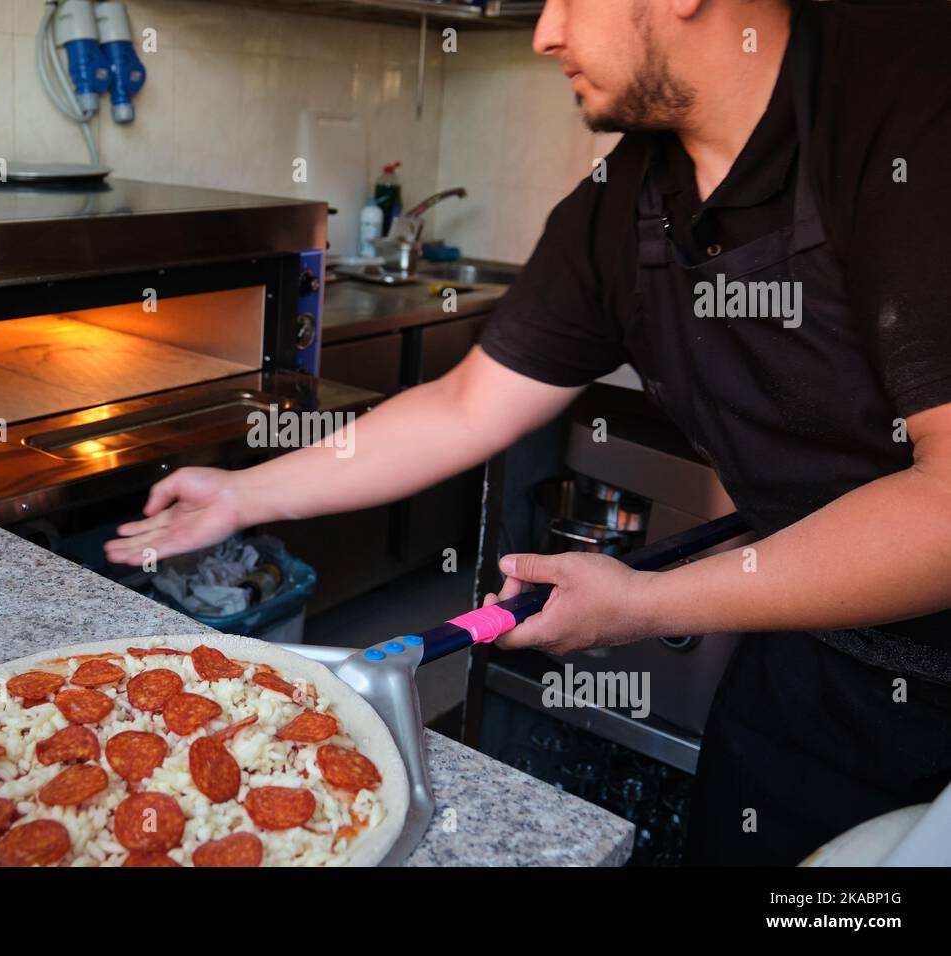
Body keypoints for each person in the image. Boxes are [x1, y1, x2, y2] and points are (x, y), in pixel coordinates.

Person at [106, 0, 951, 865]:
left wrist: (646, 603)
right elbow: (468, 403)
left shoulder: (908, 106)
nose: (546, 31)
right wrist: (245, 492)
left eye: (566, 0)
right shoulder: (624, 198)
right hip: (816, 648)